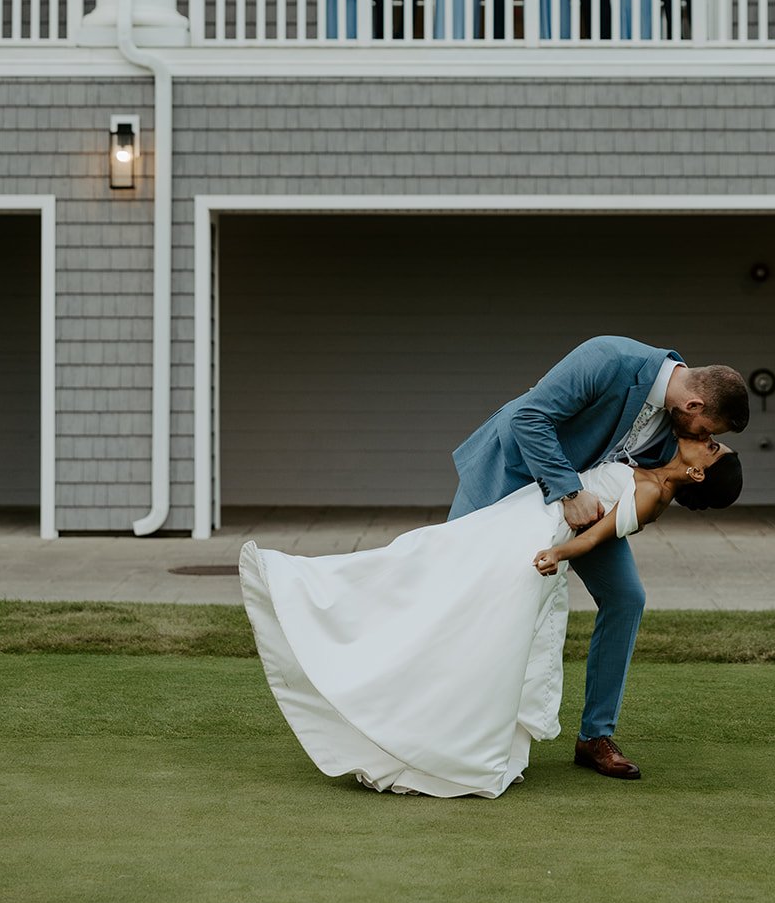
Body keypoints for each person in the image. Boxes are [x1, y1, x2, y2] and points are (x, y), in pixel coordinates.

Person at [240, 420, 740, 799]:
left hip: (537, 534)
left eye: (713, 446)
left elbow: (594, 537)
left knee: (466, 605)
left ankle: (442, 728)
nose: (707, 436)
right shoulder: (652, 463)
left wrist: (556, 555)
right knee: (427, 563)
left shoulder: (652, 494)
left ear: (697, 472)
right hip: (522, 510)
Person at [449, 336, 747, 778]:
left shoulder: (675, 421)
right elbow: (530, 418)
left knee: (626, 597)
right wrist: (569, 492)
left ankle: (595, 737)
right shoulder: (608, 358)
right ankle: (449, 720)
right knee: (454, 596)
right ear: (695, 406)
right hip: (511, 479)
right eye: (707, 433)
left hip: (581, 513)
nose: (703, 439)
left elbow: (660, 479)